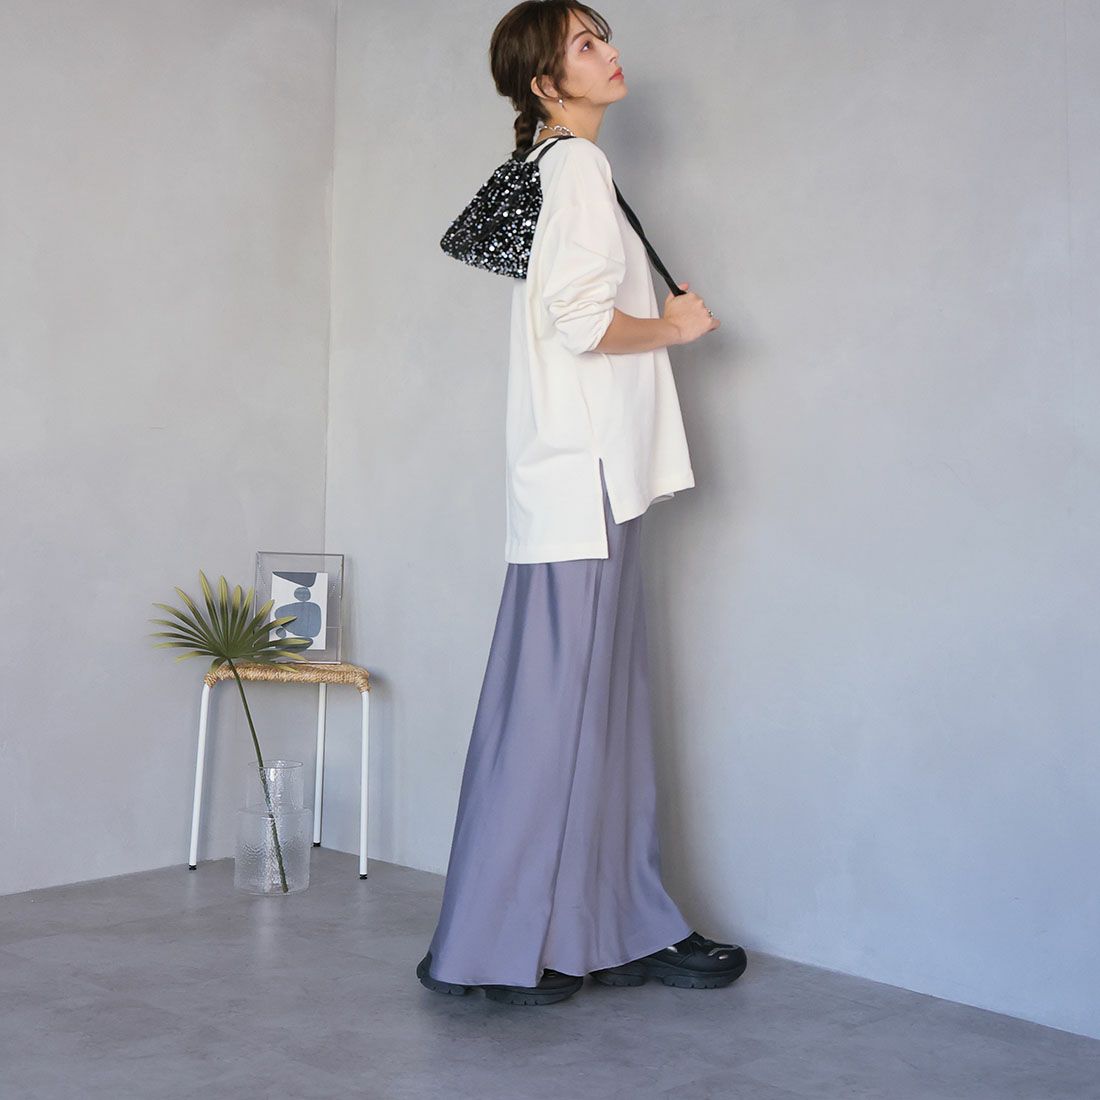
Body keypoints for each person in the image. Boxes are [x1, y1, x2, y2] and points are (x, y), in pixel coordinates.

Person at [417, 0, 748, 1007]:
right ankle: (496, 947)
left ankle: (601, 926)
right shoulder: (575, 170)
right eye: (585, 45)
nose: (609, 54)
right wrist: (674, 329)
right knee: (561, 713)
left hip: (580, 479)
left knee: (584, 710)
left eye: (604, 38)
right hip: (585, 481)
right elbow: (580, 322)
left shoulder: (559, 168)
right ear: (544, 83)